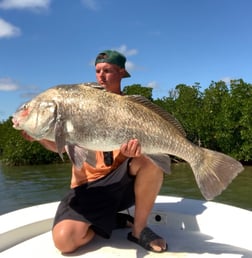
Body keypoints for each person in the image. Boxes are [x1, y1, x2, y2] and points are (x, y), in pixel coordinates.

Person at [23, 50, 168, 253]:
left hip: (122, 185)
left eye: (107, 70)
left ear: (121, 73)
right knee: (64, 242)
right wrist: (39, 137)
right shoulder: (81, 103)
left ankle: (139, 229)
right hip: (87, 188)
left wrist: (129, 154)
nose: (101, 75)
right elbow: (60, 147)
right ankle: (110, 220)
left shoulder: (133, 108)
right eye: (98, 70)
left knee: (150, 161)